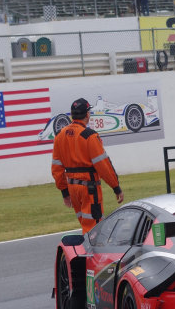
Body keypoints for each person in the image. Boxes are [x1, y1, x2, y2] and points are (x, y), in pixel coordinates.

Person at [51, 98, 124, 233]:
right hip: (89, 189)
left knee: (86, 226)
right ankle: (90, 254)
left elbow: (56, 168)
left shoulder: (60, 136)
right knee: (94, 230)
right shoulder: (89, 136)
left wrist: (64, 192)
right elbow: (103, 166)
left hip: (73, 189)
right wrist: (116, 187)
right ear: (87, 114)